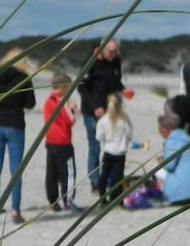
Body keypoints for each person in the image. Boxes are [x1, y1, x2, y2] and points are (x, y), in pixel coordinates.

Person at [0, 47, 37, 223]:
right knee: (16, 171)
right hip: (15, 126)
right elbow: (30, 104)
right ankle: (15, 211)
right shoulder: (23, 78)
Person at [78, 39, 126, 196]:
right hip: (92, 112)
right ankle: (95, 182)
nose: (113, 55)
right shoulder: (90, 61)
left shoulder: (116, 60)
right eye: (111, 52)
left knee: (112, 146)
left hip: (112, 110)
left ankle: (111, 179)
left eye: (116, 52)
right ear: (102, 49)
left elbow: (116, 81)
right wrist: (95, 107)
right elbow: (82, 87)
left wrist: (123, 91)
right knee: (95, 147)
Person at [43, 72, 79, 212]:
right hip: (63, 142)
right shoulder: (61, 101)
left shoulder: (48, 101)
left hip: (51, 142)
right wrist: (73, 109)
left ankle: (53, 201)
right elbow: (70, 121)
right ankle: (67, 201)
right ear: (63, 87)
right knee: (68, 173)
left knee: (51, 173)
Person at [95, 92, 133, 203]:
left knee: (104, 175)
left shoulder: (103, 120)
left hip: (108, 151)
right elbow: (129, 135)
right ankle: (117, 199)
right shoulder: (124, 120)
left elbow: (98, 136)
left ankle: (102, 198)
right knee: (118, 177)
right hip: (120, 153)